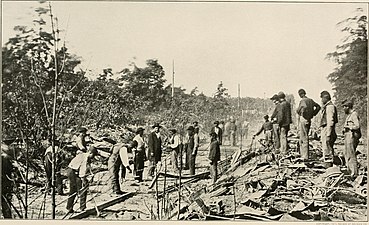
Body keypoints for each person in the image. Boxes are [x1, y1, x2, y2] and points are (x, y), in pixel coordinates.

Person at [66, 147, 99, 213]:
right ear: (90, 153)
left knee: (82, 188)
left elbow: (88, 168)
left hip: (75, 171)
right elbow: (82, 171)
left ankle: (81, 207)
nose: (93, 157)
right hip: (72, 171)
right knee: (78, 188)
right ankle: (73, 208)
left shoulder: (87, 158)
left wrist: (91, 174)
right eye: (93, 155)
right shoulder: (85, 157)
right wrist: (84, 179)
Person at [296, 89, 321, 161]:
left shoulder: (303, 101)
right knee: (305, 136)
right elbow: (318, 107)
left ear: (300, 94)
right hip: (308, 119)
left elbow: (303, 107)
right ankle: (304, 155)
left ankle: (305, 156)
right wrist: (313, 113)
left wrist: (302, 113)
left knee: (303, 138)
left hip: (303, 119)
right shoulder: (310, 100)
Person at [342, 99, 361, 177]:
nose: (343, 109)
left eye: (344, 107)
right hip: (348, 135)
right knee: (347, 154)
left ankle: (354, 173)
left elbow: (357, 126)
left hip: (352, 136)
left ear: (347, 107)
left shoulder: (354, 114)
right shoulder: (349, 115)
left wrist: (348, 127)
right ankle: (350, 171)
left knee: (351, 154)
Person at [320, 91, 338, 168]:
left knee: (327, 145)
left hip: (327, 128)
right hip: (326, 128)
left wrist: (328, 134)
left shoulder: (330, 107)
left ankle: (328, 164)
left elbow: (330, 121)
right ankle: (328, 163)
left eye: (322, 98)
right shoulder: (328, 106)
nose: (321, 100)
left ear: (326, 98)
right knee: (326, 146)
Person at [1, 139, 18, 219]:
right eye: (11, 145)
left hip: (4, 183)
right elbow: (11, 171)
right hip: (5, 184)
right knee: (6, 207)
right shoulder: (6, 157)